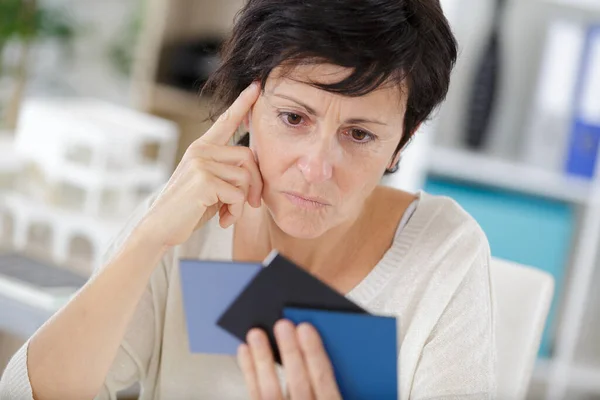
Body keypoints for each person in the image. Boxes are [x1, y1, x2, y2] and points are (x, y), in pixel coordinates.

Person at [0, 0, 497, 399]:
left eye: (360, 134)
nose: (316, 168)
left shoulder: (445, 255)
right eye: (294, 118)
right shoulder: (186, 220)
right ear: (247, 106)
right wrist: (148, 239)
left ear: (401, 143)